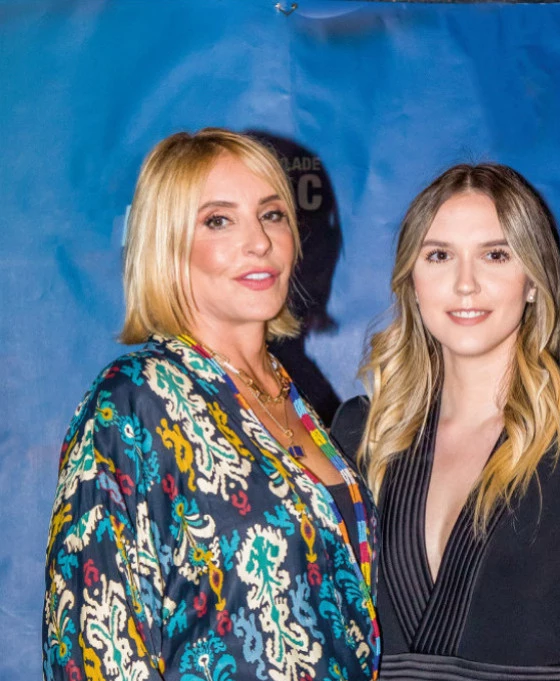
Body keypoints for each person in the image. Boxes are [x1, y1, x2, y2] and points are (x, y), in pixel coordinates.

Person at [42, 129, 379, 681]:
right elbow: (93, 640)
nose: (259, 242)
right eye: (219, 220)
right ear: (168, 244)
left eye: (272, 215)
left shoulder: (293, 398)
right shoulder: (134, 400)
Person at [330, 163, 560, 681]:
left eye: (495, 255)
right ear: (412, 282)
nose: (465, 284)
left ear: (533, 280)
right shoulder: (362, 433)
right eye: (439, 256)